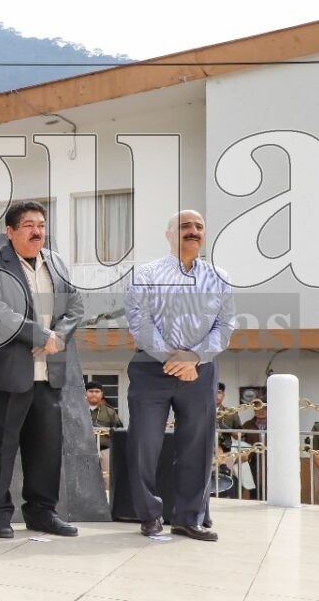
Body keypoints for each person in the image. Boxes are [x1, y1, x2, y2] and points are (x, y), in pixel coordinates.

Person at [0, 201, 84, 538]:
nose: (38, 231)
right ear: (10, 232)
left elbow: (75, 304)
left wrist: (58, 338)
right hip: (8, 372)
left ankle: (42, 512)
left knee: (46, 448)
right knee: (0, 447)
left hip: (49, 372)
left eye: (41, 224)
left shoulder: (57, 263)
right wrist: (41, 335)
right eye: (29, 225)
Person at [125, 210, 236, 542]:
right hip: (150, 369)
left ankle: (189, 518)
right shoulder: (145, 274)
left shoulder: (220, 277)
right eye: (185, 226)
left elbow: (226, 325)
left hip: (200, 371)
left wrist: (195, 357)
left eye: (199, 226)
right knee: (144, 443)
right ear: (169, 234)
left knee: (197, 447)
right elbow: (139, 321)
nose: (193, 231)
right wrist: (173, 358)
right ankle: (149, 515)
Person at [214, 383, 244, 498]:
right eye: (214, 391)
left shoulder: (231, 413)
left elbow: (240, 435)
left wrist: (227, 429)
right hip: (204, 449)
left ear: (223, 395)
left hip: (226, 451)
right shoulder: (202, 410)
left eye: (219, 392)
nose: (216, 395)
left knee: (226, 481)